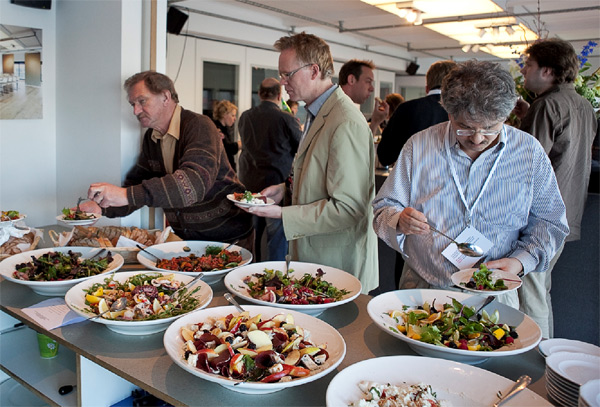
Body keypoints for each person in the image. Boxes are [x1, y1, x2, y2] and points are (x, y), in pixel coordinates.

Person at [372, 60, 569, 326]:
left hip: (495, 298)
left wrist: (520, 263)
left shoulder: (529, 153)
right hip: (424, 290)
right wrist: (398, 219)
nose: (477, 138)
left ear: (507, 116)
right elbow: (384, 207)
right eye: (464, 127)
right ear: (448, 112)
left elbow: (550, 222)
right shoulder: (419, 147)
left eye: (489, 128)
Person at [238, 32, 379, 294]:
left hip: (338, 266)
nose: (283, 82)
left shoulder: (345, 121)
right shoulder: (316, 111)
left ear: (314, 70)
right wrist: (284, 189)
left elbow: (349, 208)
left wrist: (282, 214)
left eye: (287, 74)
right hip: (317, 259)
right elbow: (318, 173)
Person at [83, 71, 253, 249]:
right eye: (133, 104)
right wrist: (101, 207)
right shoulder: (152, 138)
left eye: (142, 101)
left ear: (165, 96)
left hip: (229, 237)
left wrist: (124, 195)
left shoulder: (199, 125)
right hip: (188, 240)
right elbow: (137, 184)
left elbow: (192, 185)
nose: (135, 110)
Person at [513, 38, 597, 337]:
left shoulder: (547, 105)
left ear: (548, 71)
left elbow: (524, 164)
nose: (524, 71)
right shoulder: (583, 105)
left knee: (529, 293)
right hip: (568, 211)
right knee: (540, 287)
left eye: (530, 65)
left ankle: (534, 364)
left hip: (539, 215)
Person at [238, 78, 302, 261]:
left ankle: (250, 272)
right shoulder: (286, 118)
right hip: (275, 187)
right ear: (279, 95)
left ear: (259, 94)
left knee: (253, 236)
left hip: (249, 184)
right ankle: (273, 278)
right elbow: (302, 149)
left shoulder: (245, 117)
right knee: (276, 237)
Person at [377, 60, 457, 167]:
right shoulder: (463, 112)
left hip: (413, 179)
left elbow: (385, 156)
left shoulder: (406, 109)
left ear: (427, 88)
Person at [339, 59, 389, 135]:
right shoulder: (342, 113)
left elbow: (362, 145)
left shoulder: (347, 109)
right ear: (351, 80)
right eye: (368, 81)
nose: (372, 88)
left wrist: (375, 122)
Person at [212, 100, 242, 172]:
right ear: (224, 115)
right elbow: (227, 149)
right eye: (232, 115)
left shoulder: (224, 129)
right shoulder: (217, 130)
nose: (235, 119)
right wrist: (241, 144)